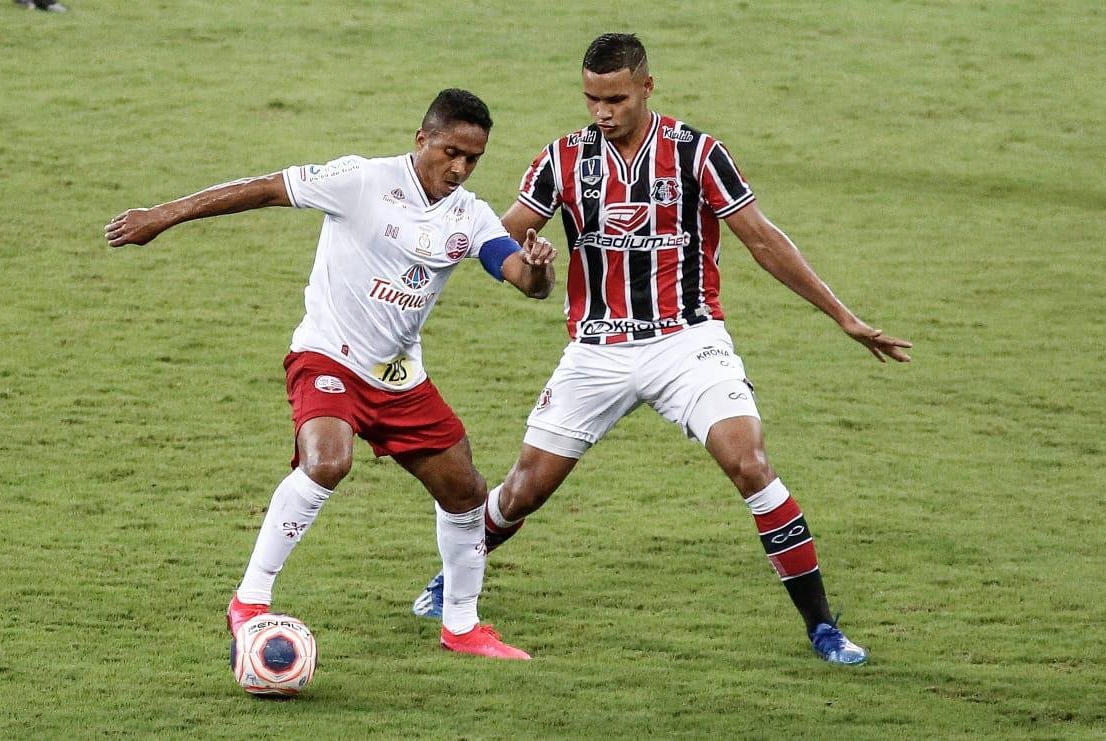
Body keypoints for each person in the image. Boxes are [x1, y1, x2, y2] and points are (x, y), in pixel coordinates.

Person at [412, 35, 912, 665]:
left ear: (647, 87)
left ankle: (823, 628)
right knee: (521, 492)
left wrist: (846, 317)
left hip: (688, 340)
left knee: (749, 461)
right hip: (596, 349)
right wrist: (492, 255)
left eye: (616, 97)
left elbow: (762, 240)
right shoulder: (562, 159)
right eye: (592, 98)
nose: (603, 110)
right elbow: (503, 233)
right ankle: (451, 582)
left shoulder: (697, 152)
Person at [105, 89, 558, 661]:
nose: (460, 168)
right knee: (327, 461)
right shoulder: (361, 181)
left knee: (466, 494)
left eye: (473, 159)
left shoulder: (469, 213)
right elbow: (266, 188)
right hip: (328, 357)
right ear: (422, 140)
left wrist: (538, 271)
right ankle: (249, 599)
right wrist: (161, 216)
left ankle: (462, 627)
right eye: (451, 152)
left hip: (398, 376)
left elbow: (517, 274)